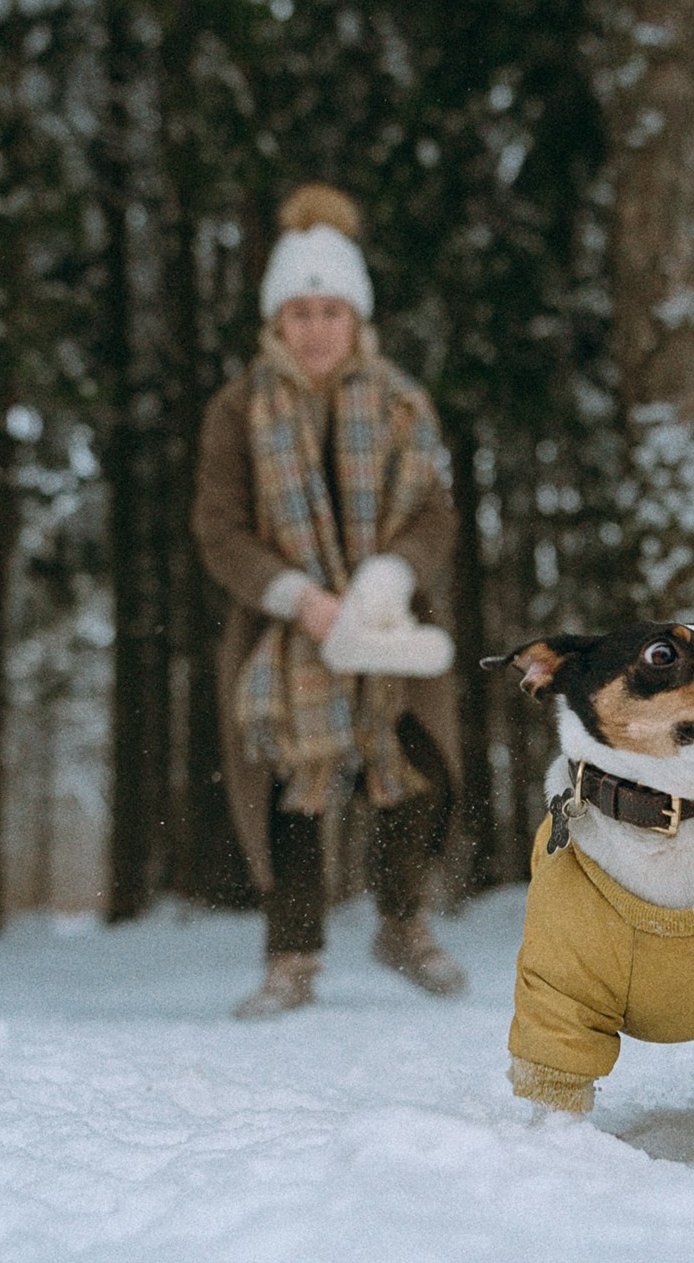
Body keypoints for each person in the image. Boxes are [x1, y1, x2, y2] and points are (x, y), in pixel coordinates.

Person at [192, 182, 468, 1018]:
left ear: (357, 319)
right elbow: (220, 526)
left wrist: (391, 577)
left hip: (387, 623)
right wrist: (298, 597)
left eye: (331, 311)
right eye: (300, 312)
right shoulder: (238, 408)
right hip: (287, 629)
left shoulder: (401, 403)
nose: (316, 328)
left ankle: (402, 922)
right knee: (292, 784)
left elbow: (434, 511)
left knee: (409, 771)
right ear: (277, 322)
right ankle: (292, 955)